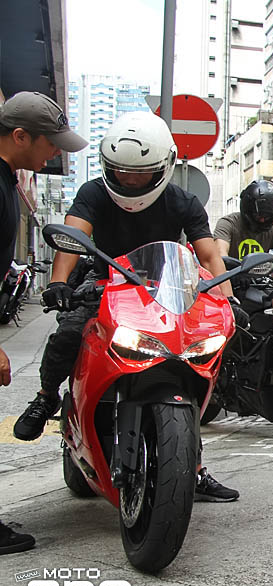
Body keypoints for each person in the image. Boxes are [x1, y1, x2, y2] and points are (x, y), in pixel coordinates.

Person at [12, 111, 242, 502]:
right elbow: (72, 239)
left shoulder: (182, 201)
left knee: (210, 348)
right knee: (69, 331)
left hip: (164, 287)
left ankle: (194, 467)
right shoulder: (93, 193)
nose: (131, 180)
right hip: (104, 285)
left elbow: (208, 255)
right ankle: (47, 395)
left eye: (141, 173)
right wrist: (57, 284)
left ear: (164, 166)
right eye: (121, 172)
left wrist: (228, 298)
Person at [0, 91, 88, 554]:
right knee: (70, 331)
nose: (55, 152)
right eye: (50, 143)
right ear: (20, 136)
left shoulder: (7, 180)